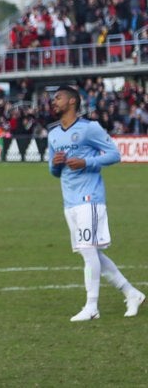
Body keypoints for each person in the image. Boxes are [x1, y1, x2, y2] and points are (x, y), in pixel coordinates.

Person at [48, 85, 145, 322]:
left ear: (72, 102)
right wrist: (56, 164)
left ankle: (92, 307)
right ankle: (131, 293)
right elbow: (53, 171)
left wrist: (86, 162)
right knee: (91, 252)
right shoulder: (53, 134)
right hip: (69, 201)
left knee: (88, 251)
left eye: (58, 98)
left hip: (89, 199)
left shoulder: (89, 128)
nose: (53, 102)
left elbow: (114, 154)